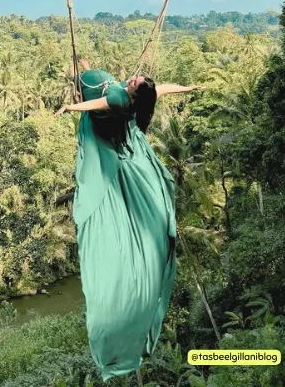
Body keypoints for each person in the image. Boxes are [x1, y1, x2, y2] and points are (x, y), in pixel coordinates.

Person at [54, 58, 199, 379]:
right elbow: (165, 88)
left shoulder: (121, 99)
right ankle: (81, 70)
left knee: (78, 76)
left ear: (132, 95)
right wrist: (188, 86)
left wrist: (69, 108)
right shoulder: (142, 93)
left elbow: (94, 103)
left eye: (135, 82)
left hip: (98, 90)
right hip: (100, 79)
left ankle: (79, 73)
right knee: (80, 69)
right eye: (137, 79)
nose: (133, 78)